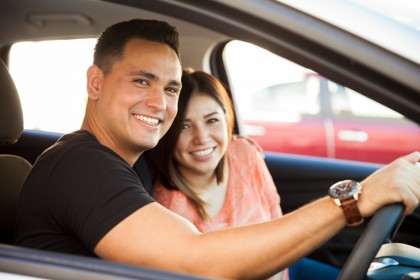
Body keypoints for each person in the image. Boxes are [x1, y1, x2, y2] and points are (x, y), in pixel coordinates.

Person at [15, 18, 420, 280]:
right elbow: (198, 262)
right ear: (96, 83)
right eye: (142, 81)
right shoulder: (79, 164)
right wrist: (355, 199)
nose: (160, 103)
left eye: (170, 88)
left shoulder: (122, 166)